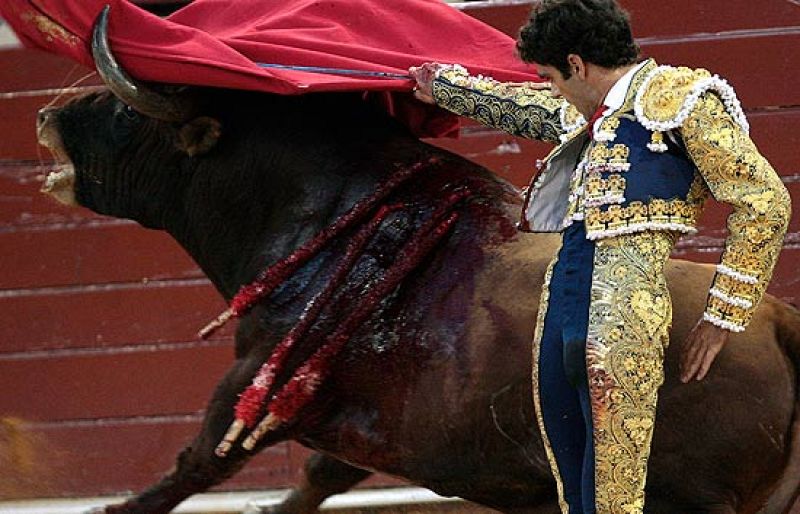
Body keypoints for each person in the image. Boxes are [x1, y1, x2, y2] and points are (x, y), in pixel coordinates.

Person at [409, 0, 791, 512]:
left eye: (552, 77)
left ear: (576, 65)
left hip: (627, 309)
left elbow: (764, 200)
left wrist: (723, 315)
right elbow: (522, 107)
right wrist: (444, 87)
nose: (552, 90)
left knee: (616, 487)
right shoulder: (586, 110)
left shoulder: (680, 99)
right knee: (571, 478)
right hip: (561, 301)